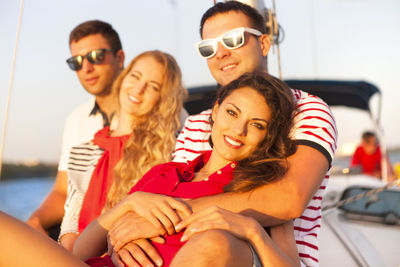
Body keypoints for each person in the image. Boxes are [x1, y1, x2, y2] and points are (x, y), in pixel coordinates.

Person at [108, 2, 337, 267]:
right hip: (173, 250)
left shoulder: (305, 109)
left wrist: (158, 221)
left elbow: (288, 199)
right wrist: (127, 238)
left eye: (233, 39)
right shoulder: (196, 123)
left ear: (263, 44)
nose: (221, 53)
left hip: (261, 255)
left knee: (212, 245)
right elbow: (169, 192)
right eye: (209, 48)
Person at [0, 72, 300, 267]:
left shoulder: (263, 190)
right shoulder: (165, 172)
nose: (238, 129)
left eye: (257, 125)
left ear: (268, 136)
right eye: (232, 112)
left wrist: (252, 231)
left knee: (216, 242)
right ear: (216, 109)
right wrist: (130, 203)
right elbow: (81, 252)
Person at [58, 50, 187, 251]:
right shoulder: (81, 151)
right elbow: (71, 221)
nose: (139, 88)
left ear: (163, 98)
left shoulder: (172, 150)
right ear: (124, 77)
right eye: (135, 76)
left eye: (153, 86)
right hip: (77, 256)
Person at [26, 20, 125, 236]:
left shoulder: (155, 108)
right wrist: (35, 221)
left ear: (120, 58)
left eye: (96, 57)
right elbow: (63, 191)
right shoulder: (76, 119)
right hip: (79, 234)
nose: (86, 68)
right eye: (76, 62)